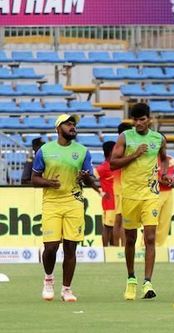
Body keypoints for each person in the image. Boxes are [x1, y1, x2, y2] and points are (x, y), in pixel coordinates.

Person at [32, 114, 99, 302]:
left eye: (73, 124)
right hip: (52, 203)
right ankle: (48, 280)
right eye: (68, 124)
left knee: (71, 247)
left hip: (74, 202)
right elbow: (34, 179)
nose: (72, 126)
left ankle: (66, 289)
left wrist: (84, 177)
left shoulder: (83, 151)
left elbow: (89, 177)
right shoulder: (45, 151)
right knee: (51, 247)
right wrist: (48, 182)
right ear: (58, 128)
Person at [110, 103, 172, 300]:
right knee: (130, 239)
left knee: (150, 238)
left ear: (149, 119)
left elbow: (163, 159)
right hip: (129, 195)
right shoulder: (125, 137)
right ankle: (130, 279)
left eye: (142, 119)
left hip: (150, 195)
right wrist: (135, 154)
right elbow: (113, 163)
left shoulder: (158, 139)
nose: (138, 123)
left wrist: (162, 174)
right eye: (135, 120)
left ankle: (148, 283)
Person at [112, 122, 133, 246]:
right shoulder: (123, 147)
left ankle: (118, 247)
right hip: (121, 187)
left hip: (122, 186)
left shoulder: (119, 146)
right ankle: (121, 247)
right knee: (121, 220)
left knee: (120, 219)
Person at [94, 141, 116, 247]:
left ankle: (112, 250)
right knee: (108, 227)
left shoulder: (116, 165)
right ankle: (105, 250)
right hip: (109, 202)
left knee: (115, 227)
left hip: (119, 201)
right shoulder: (103, 167)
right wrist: (100, 192)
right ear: (111, 152)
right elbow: (89, 177)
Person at [155, 153, 174, 247]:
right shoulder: (150, 159)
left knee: (165, 221)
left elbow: (173, 175)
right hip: (155, 192)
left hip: (168, 193)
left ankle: (160, 246)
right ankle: (145, 246)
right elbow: (151, 177)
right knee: (151, 222)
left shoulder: (171, 159)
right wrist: (163, 181)